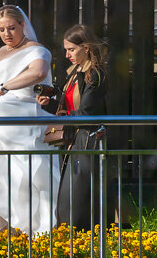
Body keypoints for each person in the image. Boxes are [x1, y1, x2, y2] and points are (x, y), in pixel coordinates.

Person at [0, 4, 59, 236]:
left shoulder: (37, 50)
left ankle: (27, 223)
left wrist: (6, 87)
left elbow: (37, 72)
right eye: (1, 29)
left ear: (23, 25)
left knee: (21, 173)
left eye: (12, 28)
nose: (7, 34)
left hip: (19, 108)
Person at [36, 24, 109, 229]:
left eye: (72, 49)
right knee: (69, 198)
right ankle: (74, 244)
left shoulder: (94, 74)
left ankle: (81, 245)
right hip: (74, 140)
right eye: (66, 49)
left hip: (87, 142)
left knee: (77, 200)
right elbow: (69, 108)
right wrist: (49, 104)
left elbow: (88, 112)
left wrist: (63, 116)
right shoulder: (76, 71)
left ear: (86, 48)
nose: (67, 55)